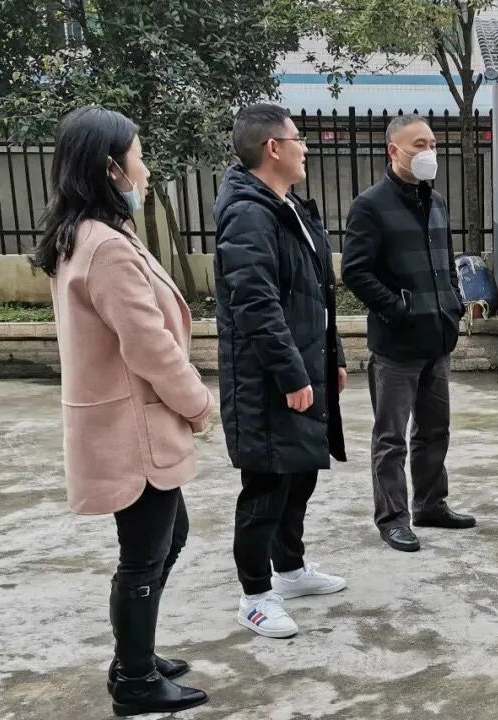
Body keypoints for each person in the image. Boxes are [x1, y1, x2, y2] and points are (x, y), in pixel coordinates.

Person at [35, 106, 213, 717]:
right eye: (139, 155)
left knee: (166, 538)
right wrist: (198, 403)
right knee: (143, 555)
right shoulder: (105, 246)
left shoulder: (87, 234)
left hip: (124, 422)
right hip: (132, 427)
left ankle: (135, 655)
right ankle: (135, 680)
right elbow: (149, 346)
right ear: (111, 167)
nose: (146, 168)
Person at [213, 103, 348, 638]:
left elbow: (317, 294)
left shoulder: (288, 207)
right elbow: (256, 304)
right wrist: (291, 374)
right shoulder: (248, 213)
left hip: (304, 364)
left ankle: (289, 570)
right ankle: (254, 595)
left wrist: (332, 356)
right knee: (266, 486)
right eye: (298, 138)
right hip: (266, 379)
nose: (305, 147)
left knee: (300, 473)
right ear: (273, 148)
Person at [342, 113, 476, 553]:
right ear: (393, 150)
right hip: (396, 345)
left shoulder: (435, 201)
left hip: (437, 337)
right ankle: (393, 518)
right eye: (419, 145)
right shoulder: (370, 205)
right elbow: (355, 271)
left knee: (435, 430)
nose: (428, 152)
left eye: (432, 144)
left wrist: (453, 303)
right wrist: (397, 309)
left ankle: (431, 504)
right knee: (391, 437)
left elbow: (446, 260)